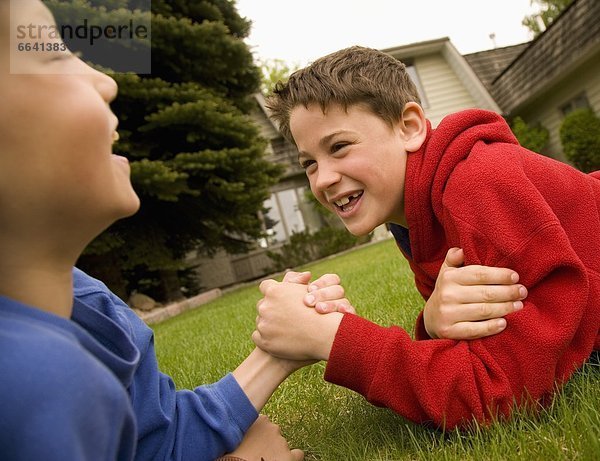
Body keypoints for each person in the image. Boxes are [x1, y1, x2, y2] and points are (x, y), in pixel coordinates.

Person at [0, 2, 524, 458]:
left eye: (338, 147)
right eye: (51, 55)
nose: (108, 79)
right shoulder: (34, 372)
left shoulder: (91, 306)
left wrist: (305, 344)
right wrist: (349, 337)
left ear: (410, 127)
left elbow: (155, 440)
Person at [253, 45, 600, 431]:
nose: (323, 178)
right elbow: (476, 345)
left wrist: (333, 339)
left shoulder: (479, 185)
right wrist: (433, 323)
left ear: (410, 127)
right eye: (309, 163)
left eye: (339, 147)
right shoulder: (412, 214)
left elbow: (501, 393)